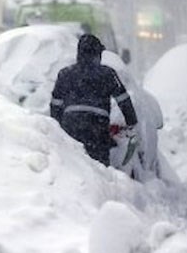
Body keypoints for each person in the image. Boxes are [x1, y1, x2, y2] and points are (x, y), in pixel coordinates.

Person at [50, 34, 139, 166]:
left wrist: (57, 127)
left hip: (71, 125)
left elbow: (55, 104)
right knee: (99, 168)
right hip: (97, 126)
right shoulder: (108, 74)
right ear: (97, 54)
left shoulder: (65, 74)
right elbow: (123, 100)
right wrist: (132, 122)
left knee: (72, 165)